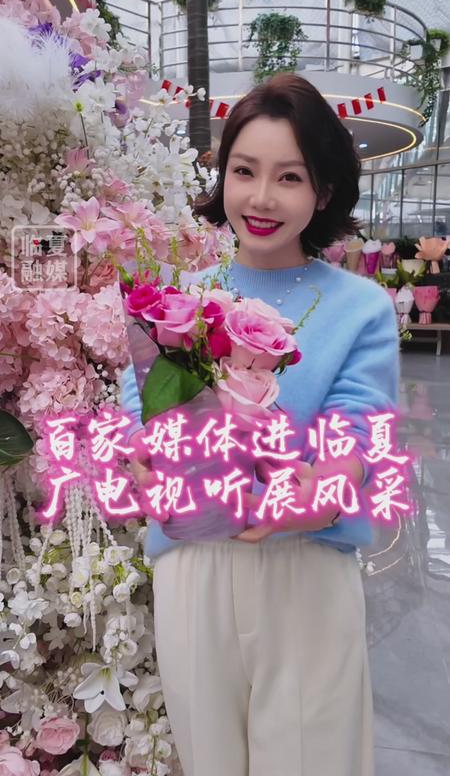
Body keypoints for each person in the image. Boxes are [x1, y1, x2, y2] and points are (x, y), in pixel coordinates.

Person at [120, 73, 399, 776]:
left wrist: (320, 493)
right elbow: (138, 411)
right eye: (244, 171)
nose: (262, 198)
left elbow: (356, 433)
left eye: (289, 177)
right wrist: (142, 464)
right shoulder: (178, 299)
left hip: (305, 567)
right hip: (194, 563)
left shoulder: (360, 308)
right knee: (209, 759)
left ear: (323, 192)